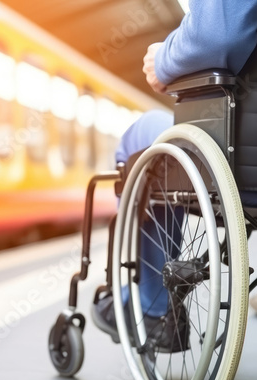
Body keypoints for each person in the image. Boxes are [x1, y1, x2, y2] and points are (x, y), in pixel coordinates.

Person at [91, 1, 257, 347]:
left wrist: (164, 59)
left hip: (244, 165)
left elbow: (219, 34)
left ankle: (153, 311)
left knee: (145, 136)